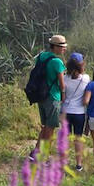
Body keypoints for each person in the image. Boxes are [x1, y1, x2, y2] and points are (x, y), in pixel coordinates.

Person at [30, 34, 67, 162]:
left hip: (41, 95)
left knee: (46, 126)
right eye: (62, 47)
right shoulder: (57, 62)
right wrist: (63, 97)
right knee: (50, 129)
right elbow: (62, 84)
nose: (64, 49)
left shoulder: (41, 57)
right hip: (52, 97)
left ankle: (35, 152)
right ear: (55, 47)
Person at [60, 52, 91, 171]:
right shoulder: (86, 78)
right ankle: (78, 164)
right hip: (79, 113)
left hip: (65, 112)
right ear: (81, 65)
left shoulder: (64, 78)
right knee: (78, 138)